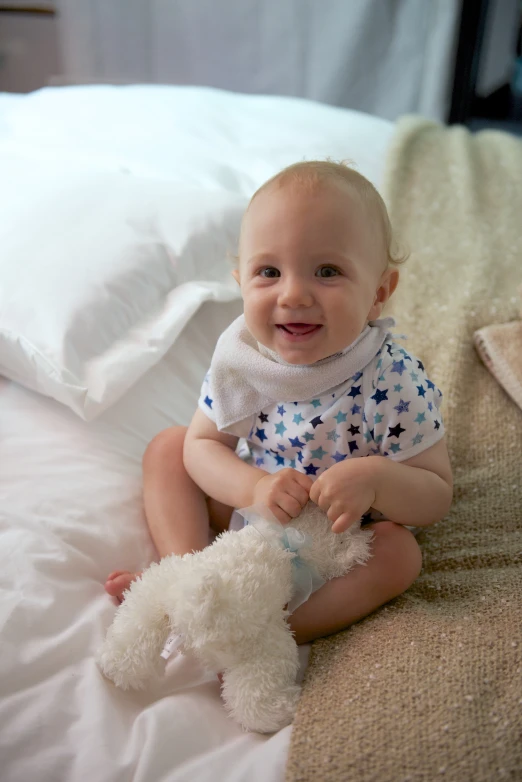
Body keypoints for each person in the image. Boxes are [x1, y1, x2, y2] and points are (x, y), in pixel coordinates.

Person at [105, 160, 453, 644]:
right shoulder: (244, 359)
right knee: (169, 447)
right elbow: (204, 447)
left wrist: (376, 481)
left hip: (344, 541)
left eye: (327, 271)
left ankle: (273, 633)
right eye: (269, 271)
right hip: (261, 514)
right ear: (241, 281)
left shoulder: (392, 379)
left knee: (401, 557)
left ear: (379, 292)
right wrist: (253, 490)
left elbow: (436, 493)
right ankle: (185, 585)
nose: (293, 294)